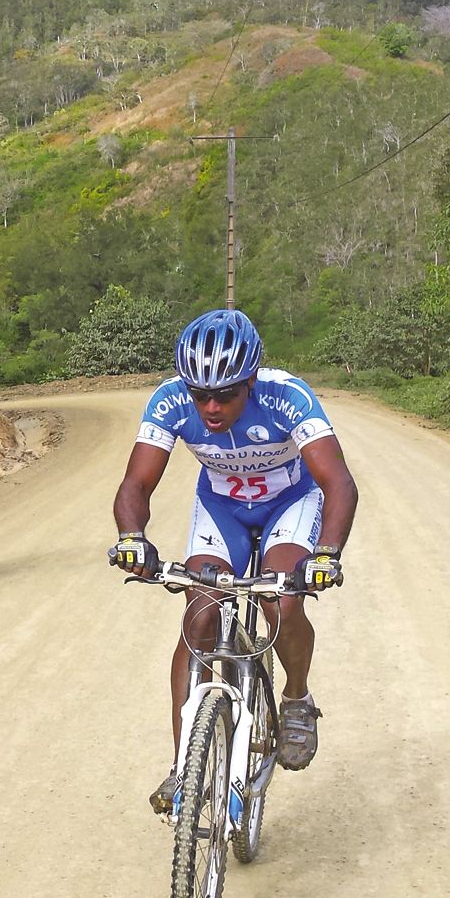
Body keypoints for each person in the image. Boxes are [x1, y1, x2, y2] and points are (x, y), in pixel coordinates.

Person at [108, 308, 357, 813]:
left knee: (281, 602)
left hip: (289, 502)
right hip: (222, 508)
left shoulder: (287, 395)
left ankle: (296, 699)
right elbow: (136, 484)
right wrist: (132, 537)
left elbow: (338, 483)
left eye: (225, 394)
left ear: (251, 382)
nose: (211, 407)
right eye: (200, 395)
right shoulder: (170, 401)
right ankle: (185, 766)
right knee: (199, 613)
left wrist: (327, 554)